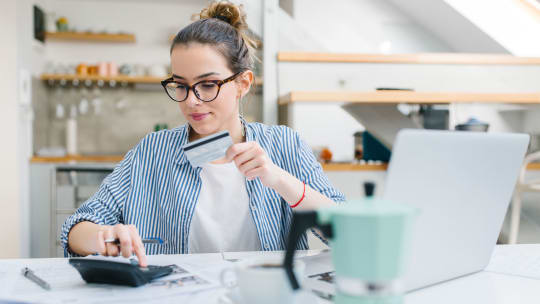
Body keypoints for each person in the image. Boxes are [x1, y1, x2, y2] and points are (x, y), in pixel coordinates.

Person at [61, 0, 345, 267]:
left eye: (207, 85)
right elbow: (77, 227)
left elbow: (350, 233)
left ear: (243, 83)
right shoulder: (152, 152)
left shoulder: (285, 145)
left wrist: (280, 179)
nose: (191, 101)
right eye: (180, 85)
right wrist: (103, 237)